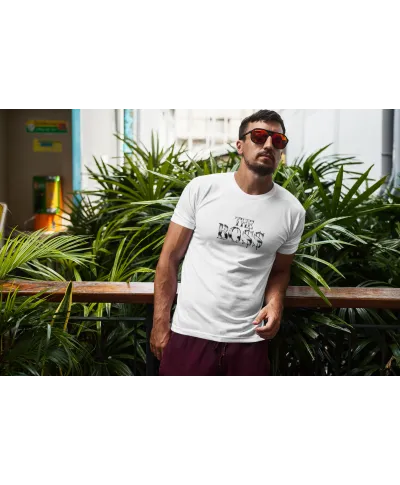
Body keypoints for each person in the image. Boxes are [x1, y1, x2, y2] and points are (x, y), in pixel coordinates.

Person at [150, 109, 306, 376]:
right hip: (190, 333)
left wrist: (275, 303)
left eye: (278, 140)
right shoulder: (202, 189)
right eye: (259, 136)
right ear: (240, 145)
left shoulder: (292, 211)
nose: (269, 144)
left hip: (249, 339)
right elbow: (169, 259)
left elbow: (280, 271)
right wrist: (160, 323)